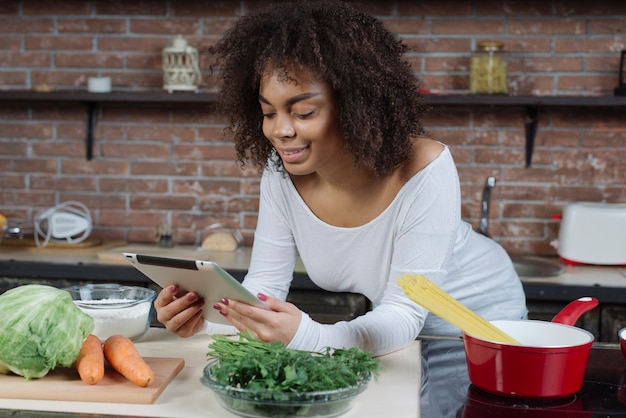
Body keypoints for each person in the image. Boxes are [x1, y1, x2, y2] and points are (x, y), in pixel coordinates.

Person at [154, 1, 527, 415]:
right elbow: (263, 292)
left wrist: (309, 335)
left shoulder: (425, 166)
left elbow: (404, 314)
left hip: (477, 325)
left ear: (355, 103)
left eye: (304, 111)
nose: (281, 130)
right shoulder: (282, 173)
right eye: (268, 112)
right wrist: (205, 317)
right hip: (399, 336)